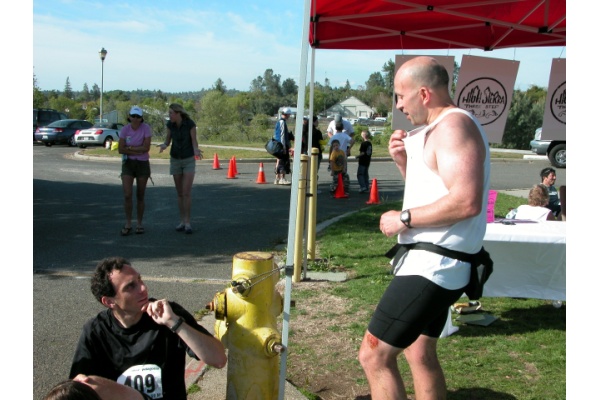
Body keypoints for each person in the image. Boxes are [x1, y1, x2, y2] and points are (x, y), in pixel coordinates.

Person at [358, 56, 490, 400]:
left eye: (401, 96)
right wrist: (405, 162)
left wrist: (403, 219)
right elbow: (436, 191)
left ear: (424, 94)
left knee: (374, 356)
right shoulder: (442, 128)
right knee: (418, 351)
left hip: (434, 267)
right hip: (441, 264)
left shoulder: (452, 127)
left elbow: (466, 201)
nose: (399, 106)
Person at [69, 257, 227, 400]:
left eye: (140, 279)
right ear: (109, 302)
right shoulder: (96, 331)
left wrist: (174, 323)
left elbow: (219, 359)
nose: (143, 288)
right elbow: (78, 389)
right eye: (130, 286)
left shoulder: (168, 313)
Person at [158, 103, 203, 234]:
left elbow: (194, 140)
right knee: (180, 193)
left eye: (171, 113)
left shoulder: (190, 124)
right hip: (175, 159)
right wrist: (164, 145)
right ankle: (182, 221)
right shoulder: (170, 125)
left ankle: (188, 222)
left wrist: (196, 150)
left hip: (188, 159)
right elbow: (167, 140)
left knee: (186, 192)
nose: (169, 116)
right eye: (169, 113)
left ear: (178, 113)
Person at [118, 106, 152, 236]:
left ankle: (139, 223)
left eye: (138, 117)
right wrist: (136, 149)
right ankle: (128, 223)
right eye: (133, 116)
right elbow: (120, 149)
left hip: (142, 163)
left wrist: (130, 148)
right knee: (127, 194)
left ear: (141, 118)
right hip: (128, 163)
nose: (135, 119)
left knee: (140, 195)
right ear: (129, 117)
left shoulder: (146, 128)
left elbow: (146, 148)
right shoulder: (125, 129)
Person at [273, 107, 294, 185]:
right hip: (282, 145)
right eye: (289, 114)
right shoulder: (282, 122)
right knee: (283, 162)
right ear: (287, 114)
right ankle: (282, 178)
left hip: (279, 144)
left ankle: (277, 178)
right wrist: (284, 146)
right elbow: (282, 135)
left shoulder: (280, 121)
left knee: (279, 161)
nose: (289, 116)